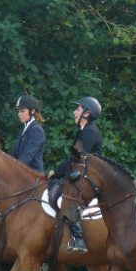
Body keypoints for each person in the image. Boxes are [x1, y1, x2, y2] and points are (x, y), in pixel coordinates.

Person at [48, 96, 104, 253]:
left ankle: (79, 238)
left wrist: (56, 171)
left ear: (86, 114)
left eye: (78, 109)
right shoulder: (84, 131)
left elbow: (76, 159)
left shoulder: (90, 132)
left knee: (69, 198)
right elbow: (74, 160)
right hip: (81, 174)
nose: (74, 112)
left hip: (89, 177)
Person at [11, 94, 46, 173]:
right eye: (18, 111)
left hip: (34, 178)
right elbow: (14, 154)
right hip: (23, 174)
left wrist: (12, 169)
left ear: (32, 111)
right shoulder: (23, 129)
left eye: (22, 111)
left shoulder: (37, 131)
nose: (19, 114)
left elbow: (27, 156)